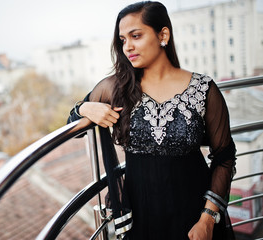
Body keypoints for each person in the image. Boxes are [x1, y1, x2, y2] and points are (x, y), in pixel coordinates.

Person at [67, 1, 236, 239]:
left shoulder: (203, 88)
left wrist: (208, 219)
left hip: (194, 215)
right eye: (123, 40)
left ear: (163, 34)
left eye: (135, 36)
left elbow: (224, 157)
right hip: (141, 218)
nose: (127, 47)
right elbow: (73, 127)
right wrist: (85, 108)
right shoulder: (114, 88)